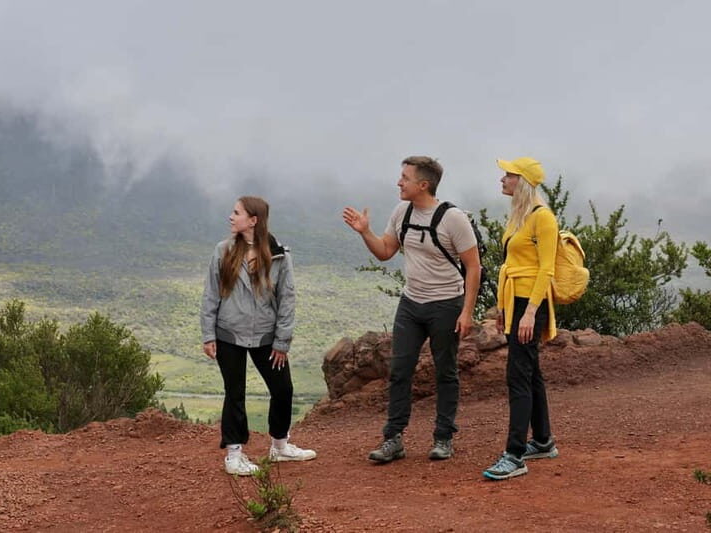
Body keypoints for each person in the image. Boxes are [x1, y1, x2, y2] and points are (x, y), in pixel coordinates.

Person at [343, 156, 481, 463]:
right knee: (400, 369)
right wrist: (365, 232)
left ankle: (443, 438)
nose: (399, 182)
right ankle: (393, 439)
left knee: (445, 371)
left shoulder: (453, 218)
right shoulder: (401, 212)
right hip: (411, 303)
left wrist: (466, 312)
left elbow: (473, 267)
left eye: (405, 177)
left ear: (424, 184)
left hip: (446, 303)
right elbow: (385, 252)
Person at [201, 196, 316, 476]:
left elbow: (287, 300)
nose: (230, 217)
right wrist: (208, 334)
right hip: (228, 334)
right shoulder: (223, 250)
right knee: (235, 392)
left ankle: (279, 446)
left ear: (253, 220)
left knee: (283, 389)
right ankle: (234, 454)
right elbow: (211, 294)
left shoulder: (279, 255)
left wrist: (282, 341)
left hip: (266, 336)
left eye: (236, 213)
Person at [482, 157, 560, 481]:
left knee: (518, 375)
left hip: (531, 302)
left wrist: (529, 313)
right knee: (531, 372)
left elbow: (546, 269)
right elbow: (511, 264)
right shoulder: (519, 217)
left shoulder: (543, 218)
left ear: (522, 182)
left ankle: (515, 456)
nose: (502, 179)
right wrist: (503, 308)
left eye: (508, 175)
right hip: (516, 302)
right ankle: (542, 440)